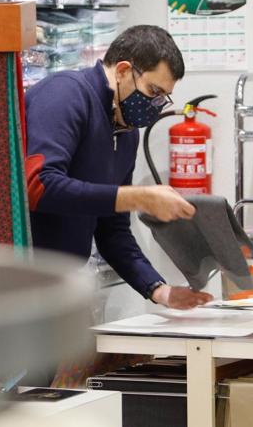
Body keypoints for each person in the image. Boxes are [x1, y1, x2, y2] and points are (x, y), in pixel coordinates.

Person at [25, 25, 213, 310]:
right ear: (123, 71)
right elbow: (38, 185)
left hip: (58, 282)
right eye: (153, 91)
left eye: (163, 97)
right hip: (17, 279)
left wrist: (159, 290)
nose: (155, 105)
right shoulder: (65, 94)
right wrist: (136, 197)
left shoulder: (125, 131)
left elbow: (112, 230)